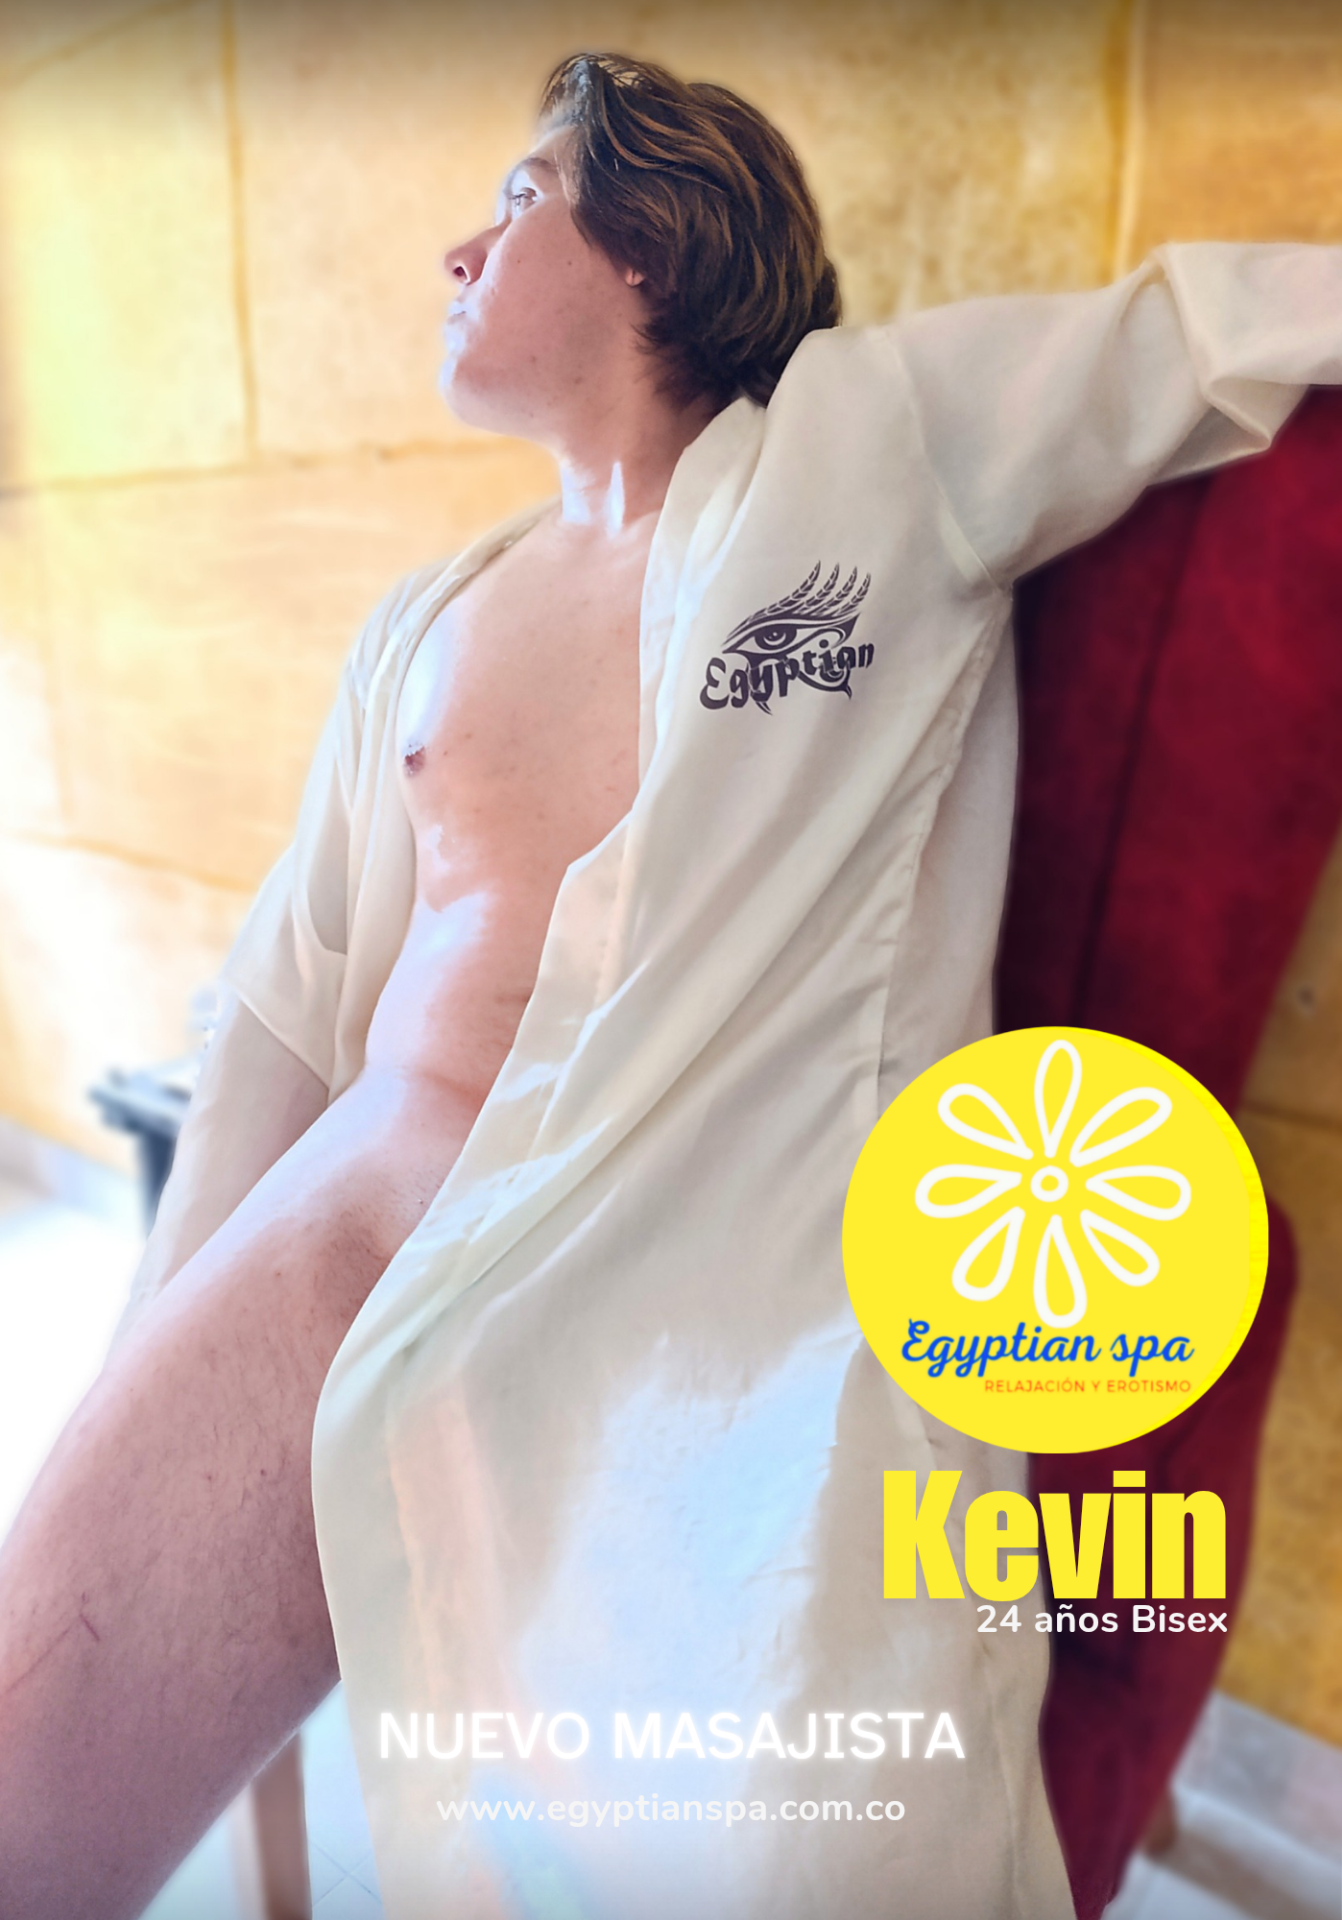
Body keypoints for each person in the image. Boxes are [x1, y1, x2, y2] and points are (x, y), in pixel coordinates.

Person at [2, 49, 1340, 1920]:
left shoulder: (877, 444)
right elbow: (290, 1005)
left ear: (652, 243)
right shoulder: (422, 623)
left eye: (518, 200)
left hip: (715, 1280)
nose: (458, 248)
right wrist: (154, 1337)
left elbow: (1205, 331)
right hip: (359, 1223)